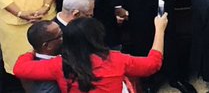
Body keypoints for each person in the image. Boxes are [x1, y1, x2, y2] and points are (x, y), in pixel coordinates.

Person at [14, 14, 169, 93]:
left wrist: (32, 51)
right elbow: (153, 64)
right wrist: (160, 30)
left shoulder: (59, 65)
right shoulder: (115, 59)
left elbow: (19, 68)